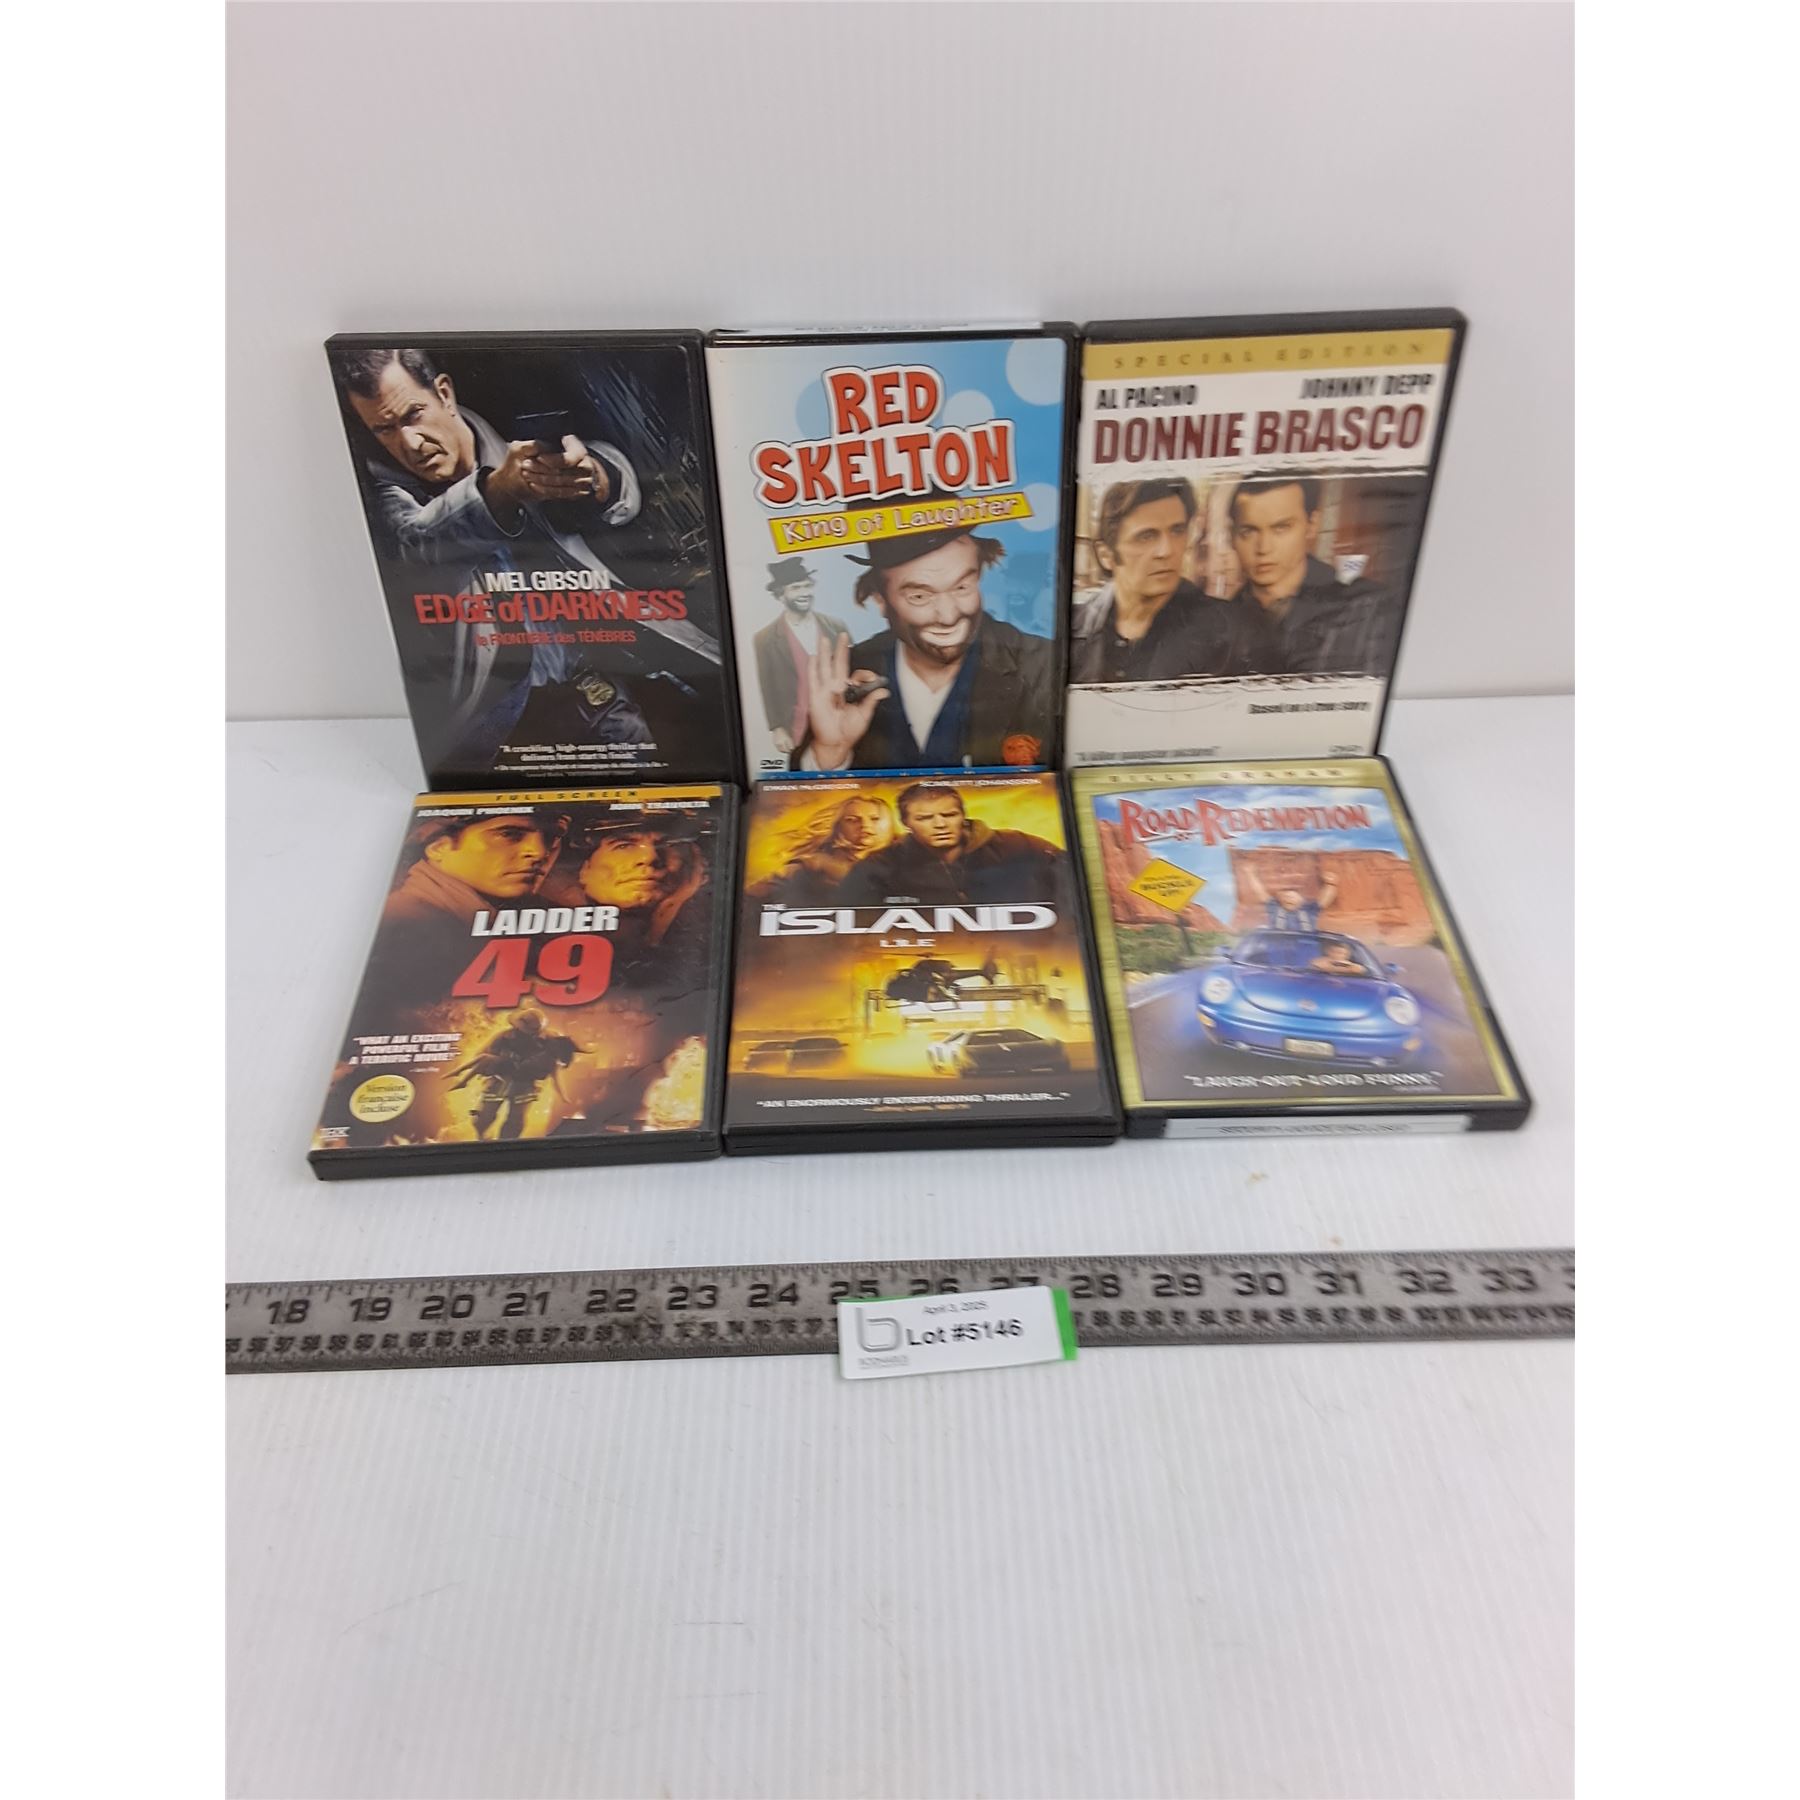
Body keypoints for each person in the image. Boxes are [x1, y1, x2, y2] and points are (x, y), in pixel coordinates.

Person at [330, 346, 720, 771]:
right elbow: (419, 543)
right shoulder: (387, 499)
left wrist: (596, 477)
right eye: (385, 429)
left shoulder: (512, 450)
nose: (409, 443)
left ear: (444, 393)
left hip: (607, 688)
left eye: (413, 415)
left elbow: (613, 485)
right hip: (504, 731)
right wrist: (500, 492)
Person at [795, 502, 1055, 771]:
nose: (948, 616)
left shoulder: (1041, 665)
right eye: (919, 596)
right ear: (880, 600)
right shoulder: (848, 675)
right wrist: (829, 753)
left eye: (962, 587)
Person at [353, 807, 568, 1026]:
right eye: (509, 834)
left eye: (550, 837)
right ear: (438, 848)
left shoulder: (526, 921)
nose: (539, 852)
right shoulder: (404, 928)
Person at [1217, 476, 1398, 676]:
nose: (1264, 548)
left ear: (1312, 525)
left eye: (1281, 528)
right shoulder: (1220, 621)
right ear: (1232, 535)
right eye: (1248, 532)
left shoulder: (1370, 608)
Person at [1069, 479, 1233, 682]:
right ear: (1106, 555)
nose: (1166, 551)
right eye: (1146, 537)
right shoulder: (1070, 629)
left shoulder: (1228, 629)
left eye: (1177, 531)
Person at [838, 783, 1062, 904]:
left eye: (949, 815)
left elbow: (1067, 873)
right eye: (924, 818)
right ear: (906, 823)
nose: (940, 824)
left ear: (962, 816)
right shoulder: (879, 866)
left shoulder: (1016, 845)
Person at [752, 558, 850, 757]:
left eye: (807, 586)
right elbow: (767, 685)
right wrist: (777, 727)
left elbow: (851, 668)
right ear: (780, 595)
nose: (804, 593)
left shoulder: (836, 626)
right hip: (798, 725)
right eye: (796, 588)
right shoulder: (764, 639)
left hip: (840, 721)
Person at [448, 1011, 578, 1140]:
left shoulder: (549, 1041)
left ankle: (506, 1144)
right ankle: (483, 1138)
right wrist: (487, 1070)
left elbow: (554, 1068)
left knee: (516, 1120)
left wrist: (562, 1094)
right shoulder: (503, 1036)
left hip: (525, 1084)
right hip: (499, 1080)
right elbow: (482, 1055)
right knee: (485, 1116)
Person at [749, 795, 896, 905]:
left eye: (875, 819)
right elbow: (754, 895)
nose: (865, 825)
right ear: (838, 827)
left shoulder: (902, 859)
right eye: (852, 820)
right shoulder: (813, 863)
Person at [1243, 862, 1338, 932]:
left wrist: (1331, 884)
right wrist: (1250, 874)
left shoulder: (1309, 910)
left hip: (1305, 946)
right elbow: (1260, 893)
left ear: (1301, 900)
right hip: (1278, 945)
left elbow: (1324, 900)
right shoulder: (1275, 908)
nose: (1288, 899)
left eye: (1292, 897)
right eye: (1285, 897)